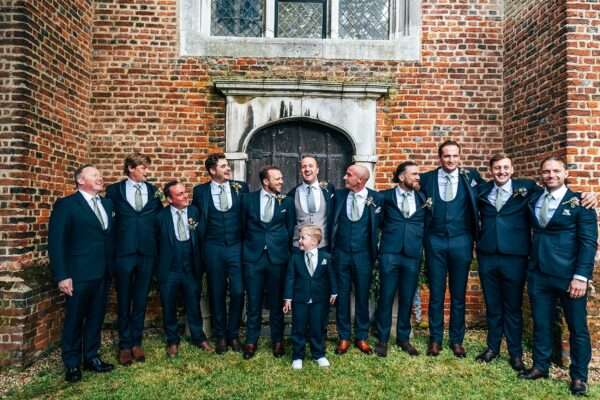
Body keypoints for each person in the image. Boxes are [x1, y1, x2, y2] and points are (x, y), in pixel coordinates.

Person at [519, 157, 597, 396]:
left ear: (565, 173)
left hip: (569, 276)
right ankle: (541, 366)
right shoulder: (534, 198)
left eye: (555, 171)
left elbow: (588, 243)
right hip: (539, 274)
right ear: (541, 175)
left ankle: (579, 377)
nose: (550, 175)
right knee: (541, 323)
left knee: (577, 328)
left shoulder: (580, 203)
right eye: (546, 171)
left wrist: (581, 276)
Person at [48, 164, 115, 383]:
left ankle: (92, 357)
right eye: (94, 175)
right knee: (75, 320)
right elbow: (57, 243)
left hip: (103, 273)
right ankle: (72, 364)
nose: (100, 177)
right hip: (78, 275)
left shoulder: (106, 203)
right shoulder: (67, 205)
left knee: (96, 318)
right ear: (80, 180)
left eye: (100, 175)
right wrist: (62, 275)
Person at [419, 140, 484, 357]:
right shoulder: (427, 179)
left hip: (461, 241)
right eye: (447, 156)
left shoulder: (470, 177)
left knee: (458, 293)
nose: (451, 160)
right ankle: (435, 339)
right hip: (435, 241)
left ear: (460, 157)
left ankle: (457, 340)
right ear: (440, 157)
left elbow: (495, 189)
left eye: (455, 156)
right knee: (436, 293)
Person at [105, 153, 163, 365]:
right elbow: (109, 225)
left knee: (140, 300)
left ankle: (136, 342)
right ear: (130, 168)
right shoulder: (114, 191)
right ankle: (124, 345)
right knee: (123, 300)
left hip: (147, 253)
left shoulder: (154, 191)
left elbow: (158, 221)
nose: (147, 171)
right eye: (143, 168)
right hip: (124, 253)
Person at [192, 153, 249, 354]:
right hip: (213, 246)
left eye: (227, 165)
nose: (228, 169)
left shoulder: (241, 187)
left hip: (235, 246)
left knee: (237, 291)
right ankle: (221, 336)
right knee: (215, 292)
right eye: (223, 166)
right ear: (212, 170)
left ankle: (233, 334)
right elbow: (197, 217)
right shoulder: (200, 191)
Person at [241, 165, 295, 360]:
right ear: (266, 181)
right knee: (253, 301)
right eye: (277, 179)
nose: (281, 181)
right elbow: (242, 227)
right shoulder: (247, 200)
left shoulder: (287, 202)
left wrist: (281, 251)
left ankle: (277, 341)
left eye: (281, 178)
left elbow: (290, 230)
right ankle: (251, 341)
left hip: (277, 258)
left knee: (276, 301)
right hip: (253, 258)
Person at [155, 180, 213, 358]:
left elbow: (203, 237)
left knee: (193, 304)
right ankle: (172, 341)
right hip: (169, 269)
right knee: (169, 305)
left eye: (185, 192)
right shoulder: (160, 217)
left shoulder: (195, 212)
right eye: (179, 194)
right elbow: (155, 245)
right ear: (169, 199)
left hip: (191, 267)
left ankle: (199, 337)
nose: (185, 196)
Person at [374, 161, 426, 357]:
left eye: (418, 174)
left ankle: (404, 338)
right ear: (402, 177)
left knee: (407, 297)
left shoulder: (422, 198)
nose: (417, 177)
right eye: (413, 174)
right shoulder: (385, 197)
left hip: (412, 255)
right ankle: (382, 339)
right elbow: (377, 223)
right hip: (390, 254)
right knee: (386, 297)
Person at [331, 164, 383, 355]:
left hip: (364, 256)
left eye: (349, 175)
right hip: (341, 254)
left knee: (362, 296)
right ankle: (344, 337)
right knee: (342, 297)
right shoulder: (338, 196)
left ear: (360, 180)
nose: (345, 177)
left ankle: (361, 337)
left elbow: (384, 226)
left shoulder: (377, 199)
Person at [283, 225, 337, 369]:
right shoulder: (295, 258)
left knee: (317, 327)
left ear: (314, 241)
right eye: (299, 238)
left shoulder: (326, 257)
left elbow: (331, 276)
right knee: (298, 327)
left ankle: (318, 354)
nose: (299, 241)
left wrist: (334, 291)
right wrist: (288, 298)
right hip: (300, 299)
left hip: (319, 300)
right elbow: (290, 278)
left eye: (302, 238)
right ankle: (297, 356)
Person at [287, 156, 336, 252]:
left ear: (317, 170)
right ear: (301, 171)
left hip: (323, 246)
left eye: (310, 166)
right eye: (304, 167)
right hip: (298, 246)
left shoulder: (329, 190)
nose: (307, 169)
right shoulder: (292, 193)